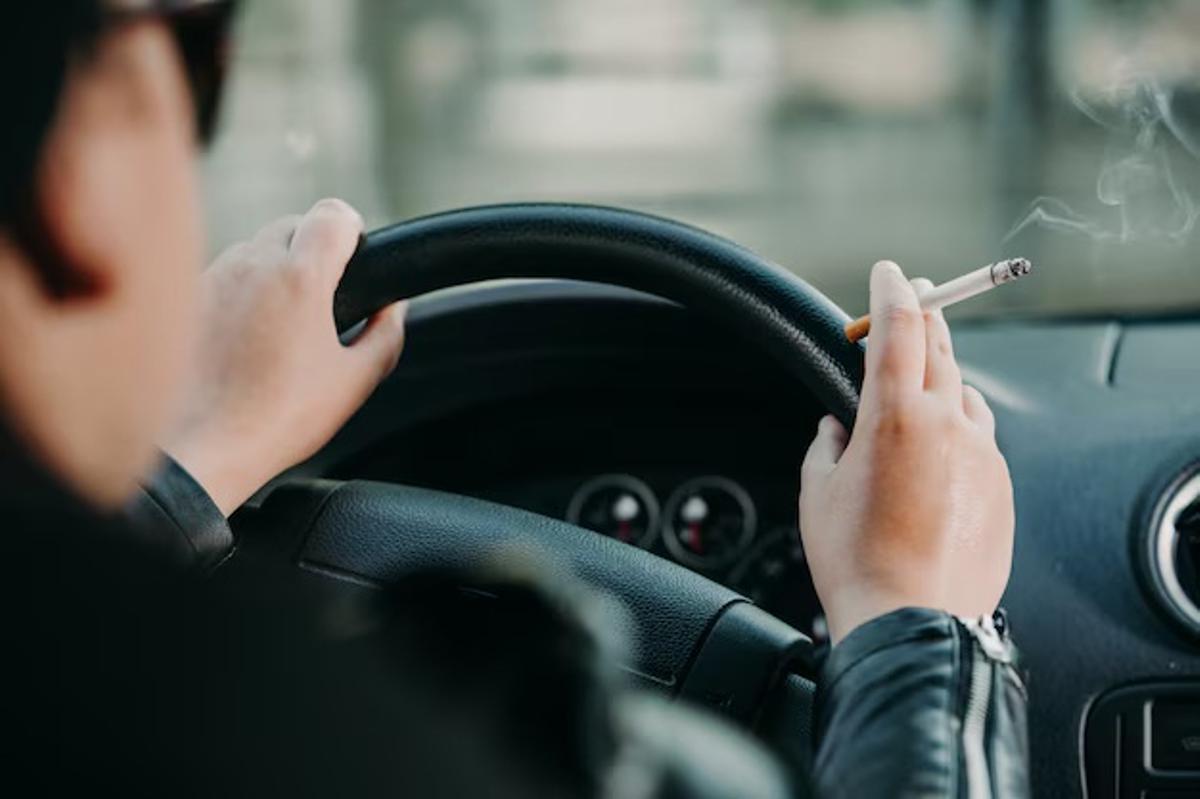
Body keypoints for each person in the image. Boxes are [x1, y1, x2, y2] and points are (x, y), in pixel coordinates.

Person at [0, 1, 1028, 796]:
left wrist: (188, 466)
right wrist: (921, 626)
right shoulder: (278, 735)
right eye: (198, 51)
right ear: (80, 162)